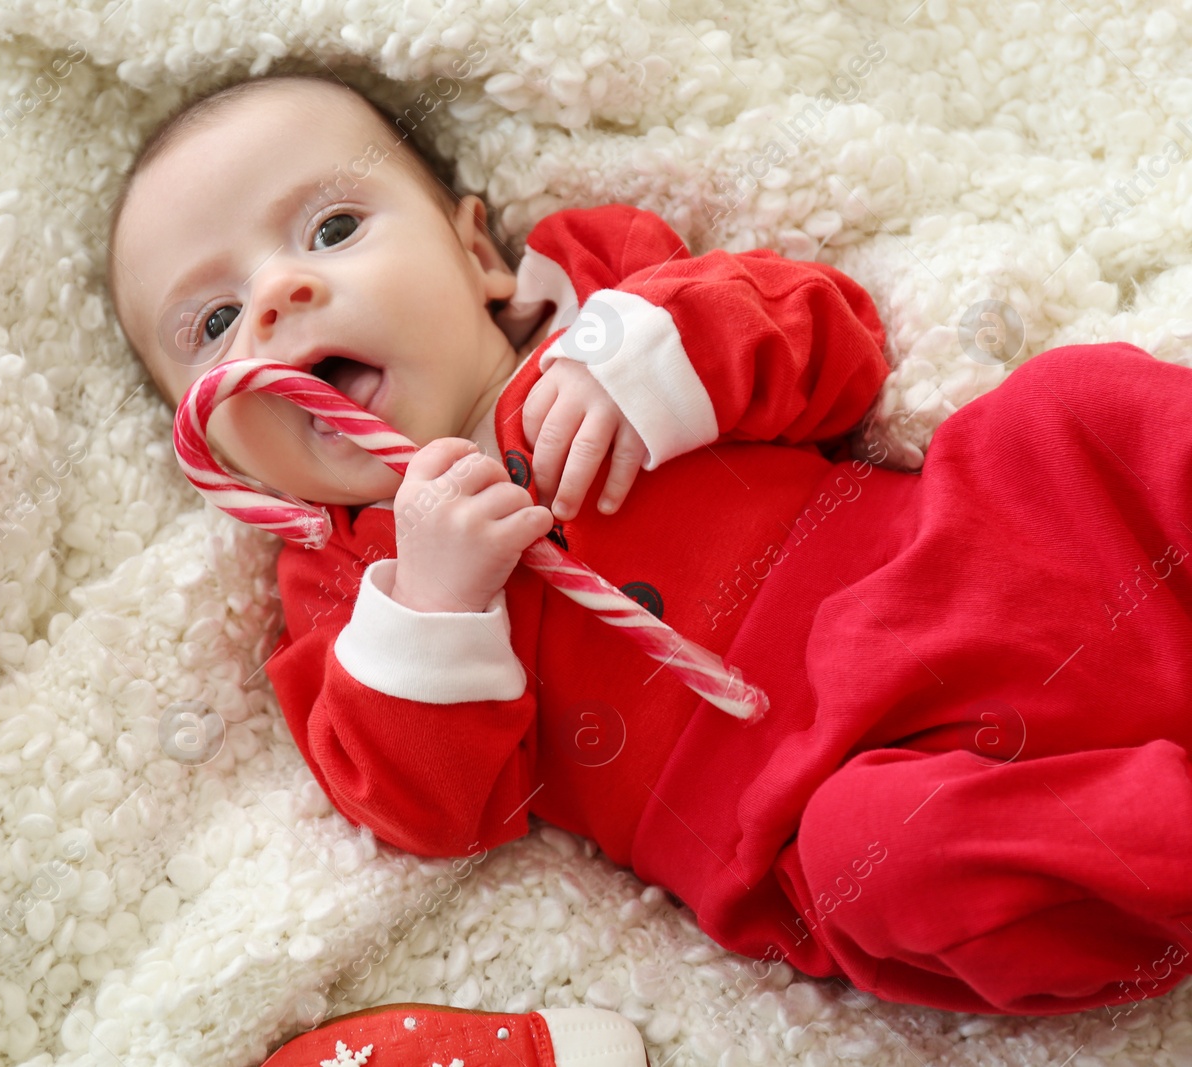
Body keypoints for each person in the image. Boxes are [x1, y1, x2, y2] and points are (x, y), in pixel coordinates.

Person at [105, 69, 1192, 1054]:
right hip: (835, 798)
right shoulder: (347, 592)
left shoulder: (605, 302)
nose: (274, 298)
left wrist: (657, 361)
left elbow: (835, 344)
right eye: (209, 322)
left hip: (954, 569)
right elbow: (426, 812)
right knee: (900, 869)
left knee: (1072, 410)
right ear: (210, 447)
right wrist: (437, 603)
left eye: (332, 226)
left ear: (477, 256)